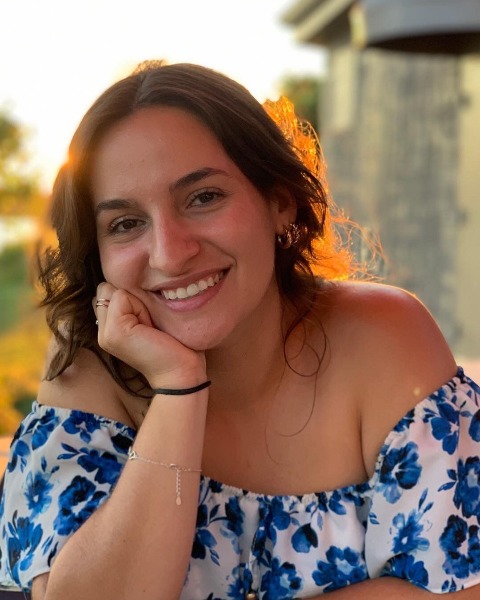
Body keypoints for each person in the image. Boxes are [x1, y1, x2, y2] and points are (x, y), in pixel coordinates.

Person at [0, 60, 479, 600]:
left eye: (203, 197)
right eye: (126, 223)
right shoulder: (89, 368)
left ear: (279, 202)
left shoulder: (383, 338)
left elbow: (459, 590)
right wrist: (178, 389)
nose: (170, 253)